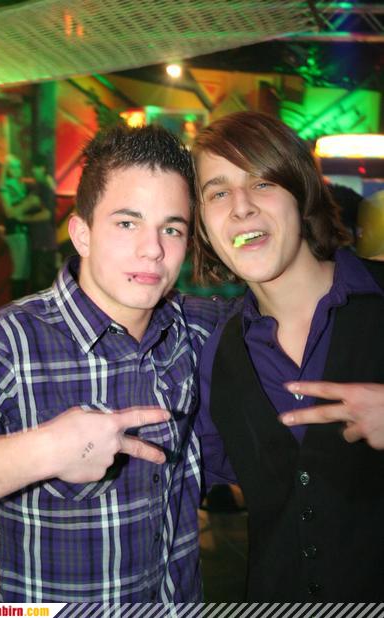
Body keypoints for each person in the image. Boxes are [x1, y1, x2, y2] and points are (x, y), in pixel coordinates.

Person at [0, 123, 226, 603]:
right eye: (127, 223)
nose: (153, 249)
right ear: (82, 234)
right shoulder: (4, 345)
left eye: (171, 229)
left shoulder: (194, 329)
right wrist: (44, 451)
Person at [192, 111, 384, 601]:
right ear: (204, 228)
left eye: (262, 183)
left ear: (301, 194)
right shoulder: (216, 356)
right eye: (218, 192)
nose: (241, 208)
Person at [0, 155, 40, 299]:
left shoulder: (20, 183)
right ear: (7, 169)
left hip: (22, 229)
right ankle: (16, 306)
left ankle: (20, 305)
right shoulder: (5, 184)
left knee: (25, 271)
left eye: (18, 166)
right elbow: (9, 213)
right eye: (13, 167)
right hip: (15, 230)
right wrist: (28, 203)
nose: (17, 169)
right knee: (20, 270)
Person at [27, 156, 59, 292]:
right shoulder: (47, 186)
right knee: (43, 279)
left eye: (36, 167)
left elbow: (47, 214)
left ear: (43, 168)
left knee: (41, 280)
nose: (33, 170)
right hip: (44, 239)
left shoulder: (44, 187)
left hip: (43, 239)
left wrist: (24, 218)